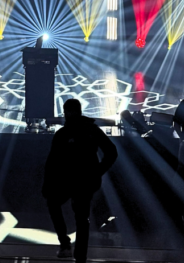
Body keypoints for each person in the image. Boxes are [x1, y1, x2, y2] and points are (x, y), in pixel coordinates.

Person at [42, 98, 118, 262]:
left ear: (66, 112)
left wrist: (47, 183)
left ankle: (66, 245)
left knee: (57, 205)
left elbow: (52, 161)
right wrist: (97, 172)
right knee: (82, 219)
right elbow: (112, 152)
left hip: (71, 181)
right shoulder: (90, 130)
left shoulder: (64, 133)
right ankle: (79, 256)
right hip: (84, 181)